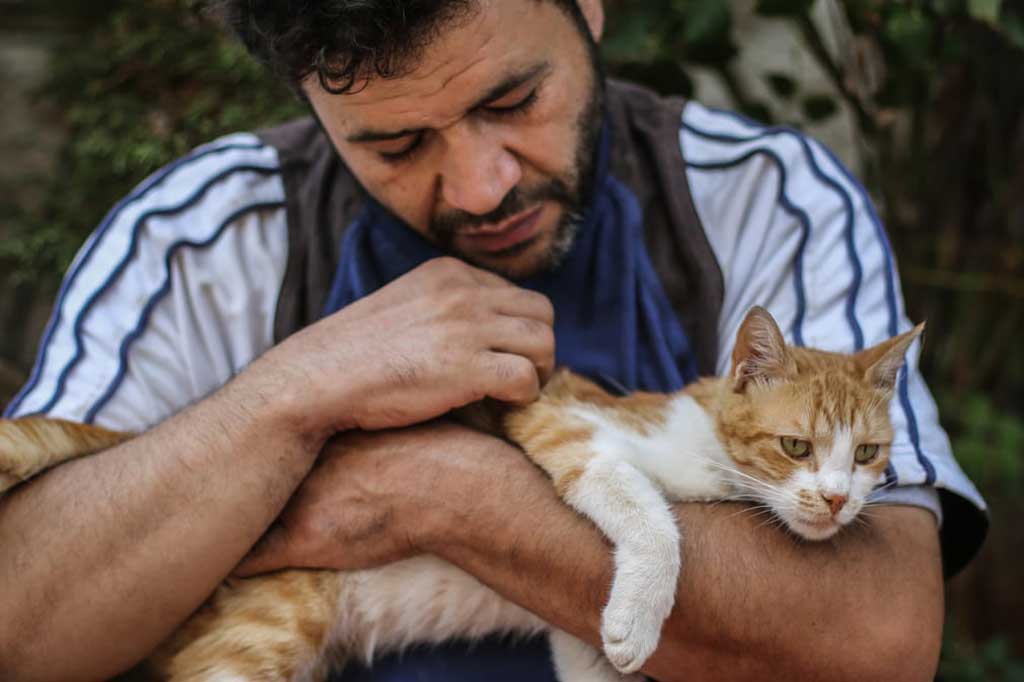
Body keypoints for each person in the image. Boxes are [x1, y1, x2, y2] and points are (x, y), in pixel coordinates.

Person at [0, 1, 987, 680]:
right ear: (308, 96)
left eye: (511, 103)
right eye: (394, 143)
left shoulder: (761, 198)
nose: (478, 186)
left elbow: (881, 643)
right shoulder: (198, 233)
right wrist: (289, 396)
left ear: (588, 6)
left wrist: (436, 493)